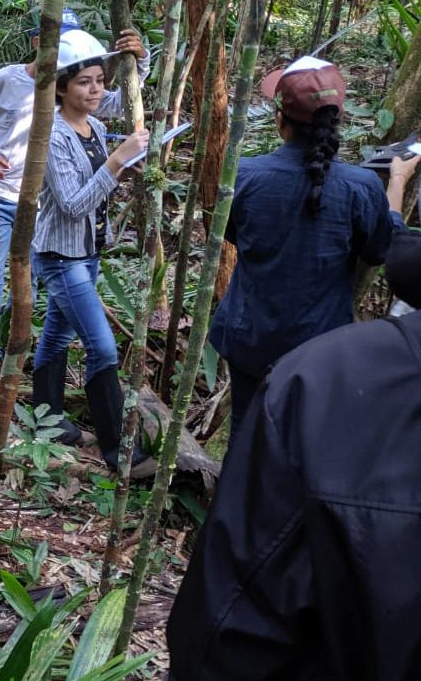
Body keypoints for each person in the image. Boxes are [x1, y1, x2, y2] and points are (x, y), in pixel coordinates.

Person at [166, 227, 421, 681]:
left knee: (261, 469)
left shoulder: (322, 383)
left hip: (273, 346)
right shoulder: (357, 189)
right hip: (322, 335)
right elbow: (376, 242)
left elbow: (233, 630)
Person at [207, 56, 420, 425]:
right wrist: (397, 182)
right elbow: (382, 249)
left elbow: (230, 234)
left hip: (250, 337)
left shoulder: (243, 176)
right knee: (302, 439)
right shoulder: (360, 186)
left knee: (245, 432)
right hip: (318, 348)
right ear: (337, 119)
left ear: (279, 120)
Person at [0, 7, 149, 387]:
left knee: (29, 283)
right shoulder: (8, 79)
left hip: (46, 205)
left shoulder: (71, 86)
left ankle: (15, 344)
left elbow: (117, 102)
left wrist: (141, 60)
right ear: (37, 41)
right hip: (1, 194)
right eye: (57, 41)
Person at [30, 29, 156, 478]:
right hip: (60, 256)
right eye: (85, 81)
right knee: (102, 348)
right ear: (62, 85)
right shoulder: (51, 132)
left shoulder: (97, 125)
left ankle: (45, 422)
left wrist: (137, 62)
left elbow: (125, 101)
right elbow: (71, 203)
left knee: (58, 336)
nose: (96, 89)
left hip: (88, 250)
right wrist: (116, 162)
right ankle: (121, 451)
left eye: (100, 80)